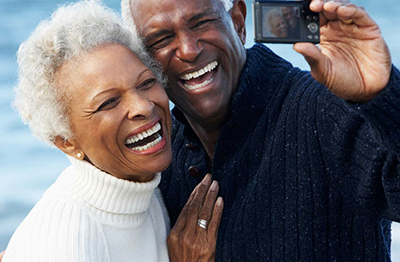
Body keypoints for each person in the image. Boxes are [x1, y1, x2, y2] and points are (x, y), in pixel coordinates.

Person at [122, 0, 400, 261]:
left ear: (239, 22)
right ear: (144, 61)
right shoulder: (160, 156)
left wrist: (383, 95)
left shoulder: (324, 108)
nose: (189, 49)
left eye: (202, 22)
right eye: (161, 39)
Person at [1, 1, 223, 261]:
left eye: (147, 82)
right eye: (108, 102)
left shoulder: (144, 188)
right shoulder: (65, 243)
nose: (143, 106)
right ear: (66, 141)